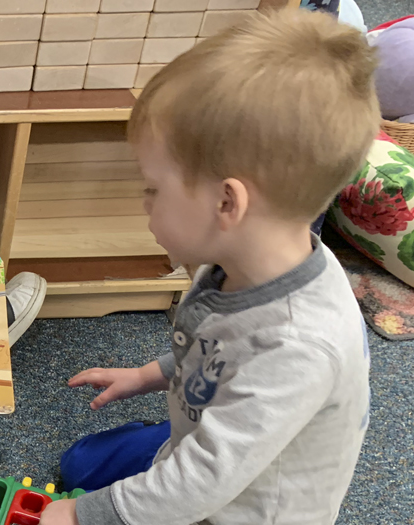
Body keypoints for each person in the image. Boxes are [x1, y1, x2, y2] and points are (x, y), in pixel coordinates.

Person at [42, 10, 377, 525]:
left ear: (227, 204)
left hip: (240, 511)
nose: (144, 202)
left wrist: (83, 517)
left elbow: (202, 483)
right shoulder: (244, 258)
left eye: (153, 188)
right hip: (211, 437)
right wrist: (149, 375)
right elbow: (222, 345)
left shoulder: (300, 346)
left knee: (95, 502)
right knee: (78, 466)